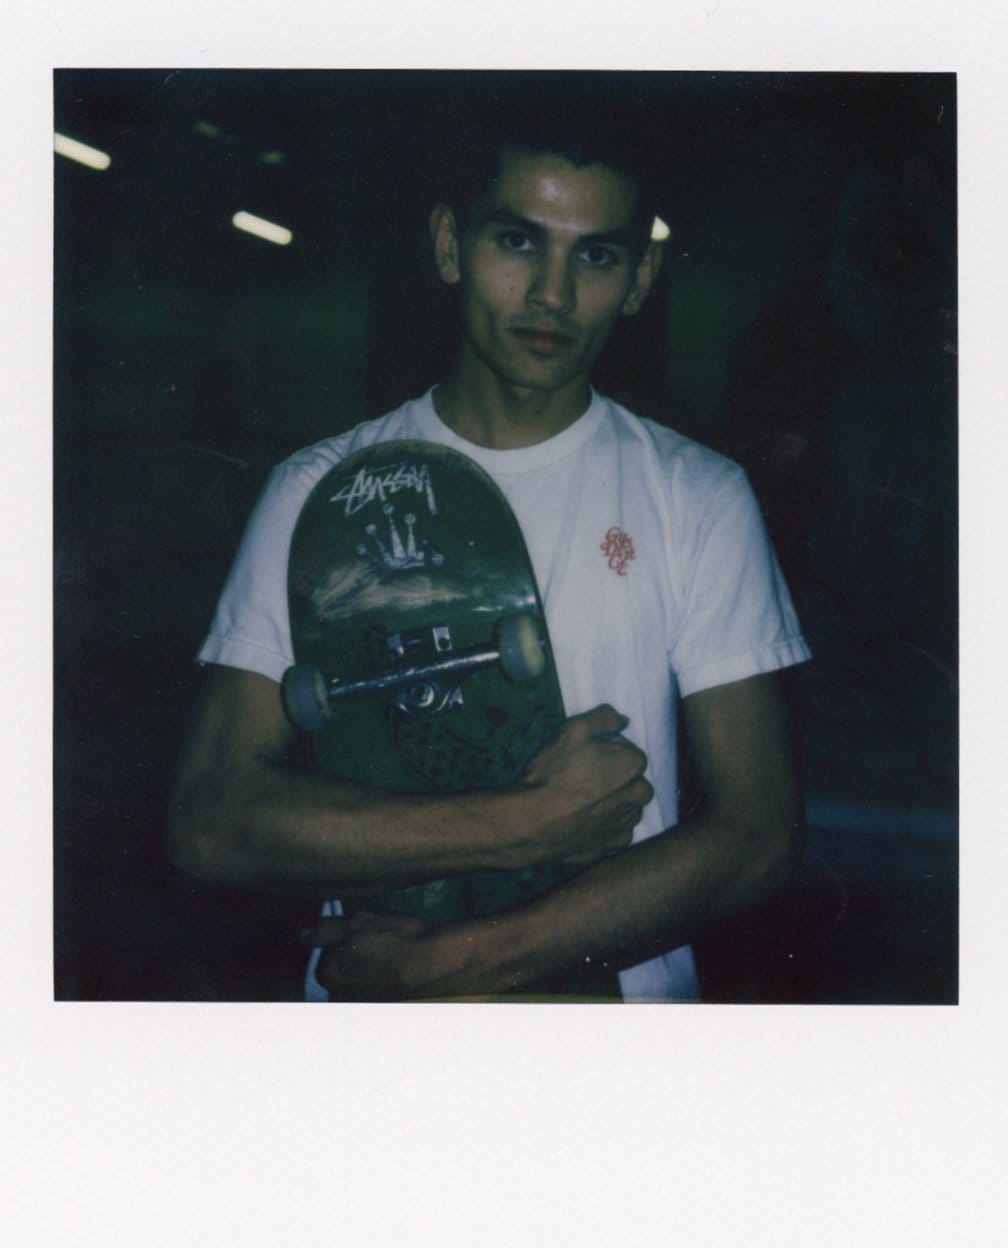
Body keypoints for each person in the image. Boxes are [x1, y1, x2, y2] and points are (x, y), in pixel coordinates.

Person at [168, 102, 811, 1002]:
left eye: (596, 254)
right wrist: (529, 822)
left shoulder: (697, 494)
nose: (552, 294)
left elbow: (758, 836)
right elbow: (210, 821)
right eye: (517, 241)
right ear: (447, 245)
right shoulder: (321, 490)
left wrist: (449, 962)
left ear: (640, 276)